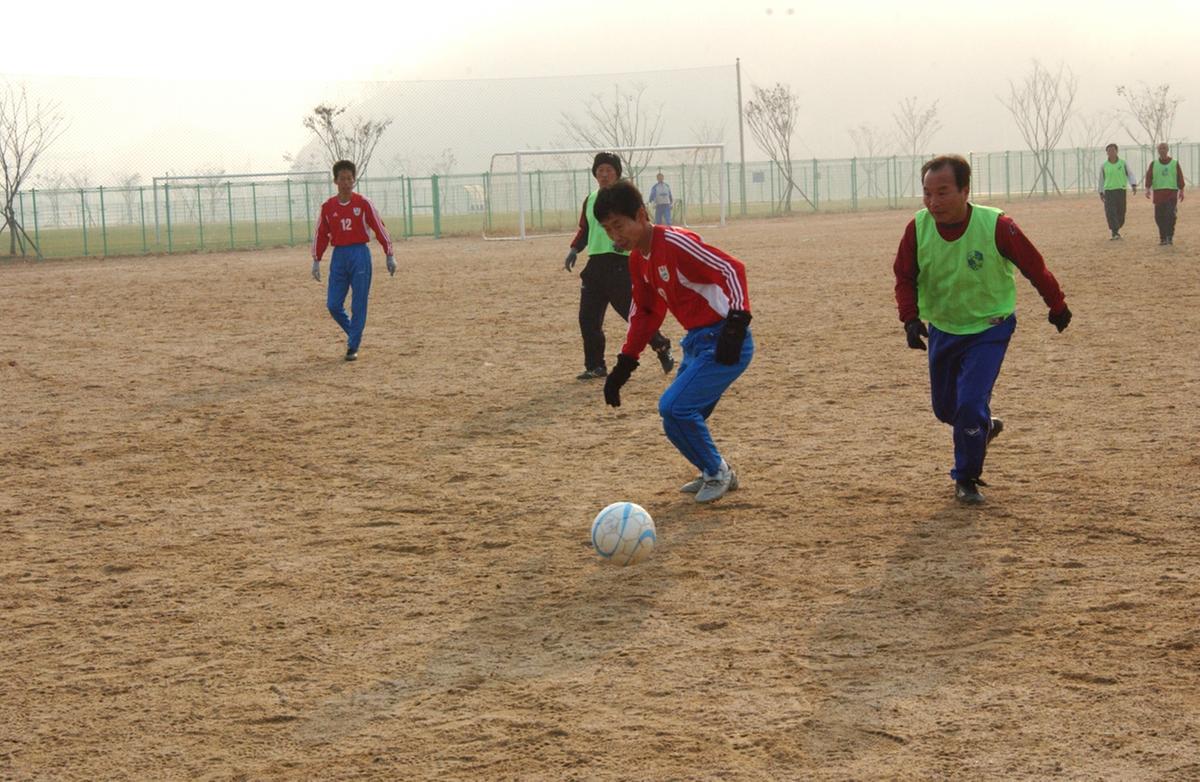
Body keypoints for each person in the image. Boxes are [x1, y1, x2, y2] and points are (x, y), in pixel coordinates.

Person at [893, 154, 1072, 504]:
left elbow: (1034, 266)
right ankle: (984, 428)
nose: (934, 202)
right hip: (944, 328)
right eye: (927, 193)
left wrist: (1057, 305)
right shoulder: (918, 228)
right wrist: (910, 319)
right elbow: (904, 275)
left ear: (965, 190)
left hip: (990, 327)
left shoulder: (997, 225)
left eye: (943, 192)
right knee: (947, 410)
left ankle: (966, 478)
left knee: (971, 403)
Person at [594, 179, 753, 504]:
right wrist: (624, 365)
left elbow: (732, 269)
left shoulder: (676, 242)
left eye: (618, 225)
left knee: (674, 407)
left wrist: (737, 323)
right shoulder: (638, 260)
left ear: (640, 215)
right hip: (697, 342)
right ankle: (712, 472)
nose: (615, 235)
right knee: (674, 419)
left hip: (725, 339)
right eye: (608, 230)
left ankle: (719, 471)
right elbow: (646, 313)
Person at [564, 152, 675, 380]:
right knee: (588, 317)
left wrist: (632, 248)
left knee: (632, 314)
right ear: (595, 174)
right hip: (595, 266)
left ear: (617, 173)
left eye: (609, 170)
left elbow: (643, 226)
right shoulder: (591, 199)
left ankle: (661, 344)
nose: (604, 174)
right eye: (600, 170)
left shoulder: (626, 198)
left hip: (621, 264)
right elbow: (585, 230)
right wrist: (574, 249)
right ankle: (595, 365)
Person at [310, 159, 396, 361]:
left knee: (358, 304)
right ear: (335, 181)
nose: (346, 183)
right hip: (339, 256)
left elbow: (379, 228)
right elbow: (321, 234)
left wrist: (389, 255)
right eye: (342, 179)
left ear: (354, 180)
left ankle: (353, 346)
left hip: (360, 255)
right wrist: (316, 260)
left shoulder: (364, 204)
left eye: (350, 179)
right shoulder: (328, 207)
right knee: (333, 304)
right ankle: (355, 333)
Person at [1144, 142, 1186, 246]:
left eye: (1164, 148)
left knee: (1170, 215)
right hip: (1158, 194)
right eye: (1160, 148)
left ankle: (1169, 237)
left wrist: (1182, 190)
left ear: (1167, 150)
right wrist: (1147, 188)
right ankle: (1162, 237)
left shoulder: (1174, 163)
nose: (1162, 150)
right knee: (1159, 217)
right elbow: (1149, 177)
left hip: (1171, 193)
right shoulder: (1154, 164)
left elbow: (1180, 177)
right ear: (1158, 151)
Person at [1098, 143, 1137, 239]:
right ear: (1106, 153)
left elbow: (1130, 174)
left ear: (1117, 151)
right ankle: (1114, 232)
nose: (1111, 152)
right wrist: (1101, 192)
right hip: (1109, 191)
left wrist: (1133, 184)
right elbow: (1101, 179)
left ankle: (1117, 228)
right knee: (1110, 212)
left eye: (1113, 150)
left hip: (1121, 190)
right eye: (1109, 150)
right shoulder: (1104, 166)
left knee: (1121, 211)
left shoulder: (1123, 163)